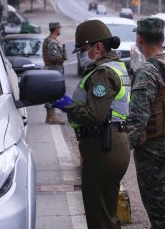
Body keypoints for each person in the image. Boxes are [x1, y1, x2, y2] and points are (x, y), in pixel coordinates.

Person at [55, 20, 131, 229]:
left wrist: (69, 107)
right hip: (113, 143)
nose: (82, 54)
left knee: (99, 219)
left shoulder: (103, 73)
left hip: (103, 146)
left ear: (98, 47)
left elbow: (95, 115)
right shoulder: (116, 67)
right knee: (106, 214)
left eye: (84, 49)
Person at [126, 17, 165, 229]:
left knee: (162, 216)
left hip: (153, 152)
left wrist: (121, 151)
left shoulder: (147, 72)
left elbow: (137, 118)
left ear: (139, 38)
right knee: (162, 208)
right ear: (163, 38)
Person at [42, 21, 67, 124]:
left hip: (52, 70)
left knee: (50, 93)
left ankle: (50, 117)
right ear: (57, 29)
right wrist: (63, 56)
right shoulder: (52, 42)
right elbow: (54, 57)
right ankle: (52, 117)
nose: (60, 30)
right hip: (53, 70)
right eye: (59, 28)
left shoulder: (50, 40)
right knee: (52, 93)